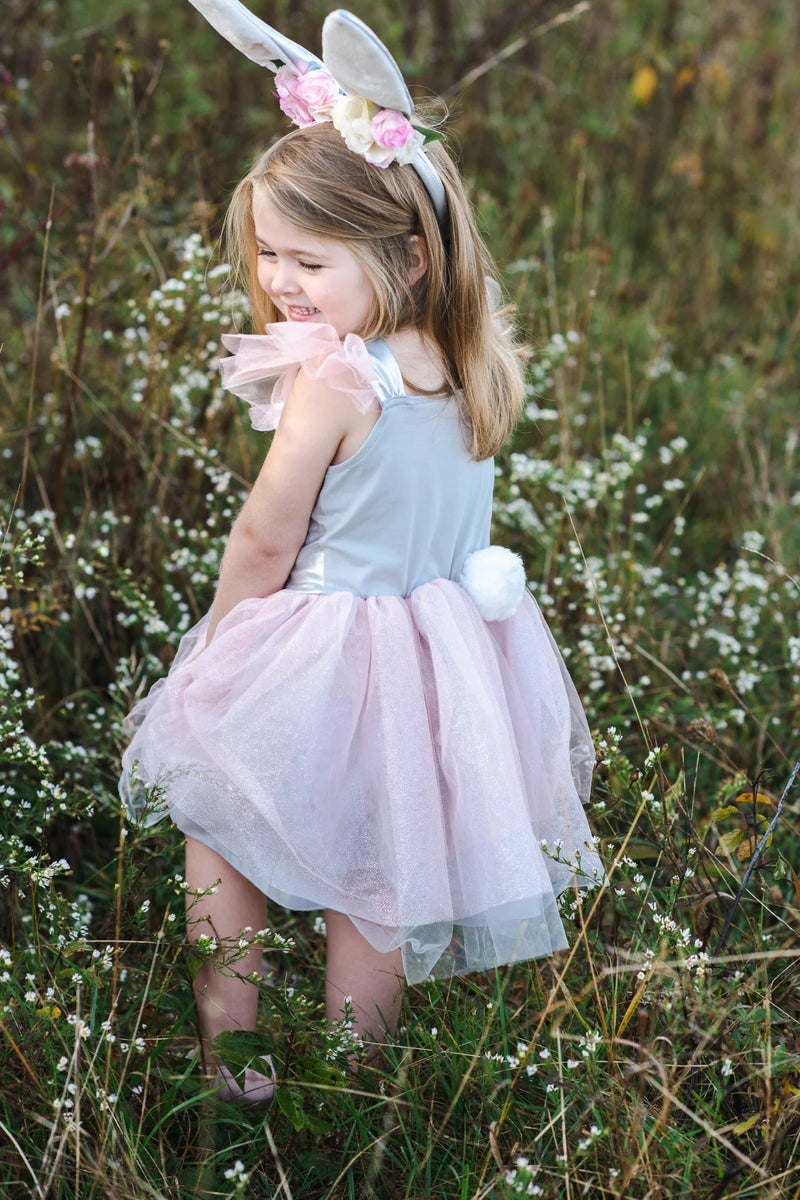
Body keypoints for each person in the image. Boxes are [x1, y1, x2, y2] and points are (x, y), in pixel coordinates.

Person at [120, 5, 602, 1104]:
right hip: (441, 656)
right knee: (385, 867)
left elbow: (264, 534)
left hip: (320, 638)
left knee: (217, 810)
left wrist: (219, 648)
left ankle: (230, 1059)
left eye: (308, 261)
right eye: (267, 257)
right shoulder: (465, 363)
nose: (282, 284)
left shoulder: (334, 380)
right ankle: (355, 1078)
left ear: (405, 251)